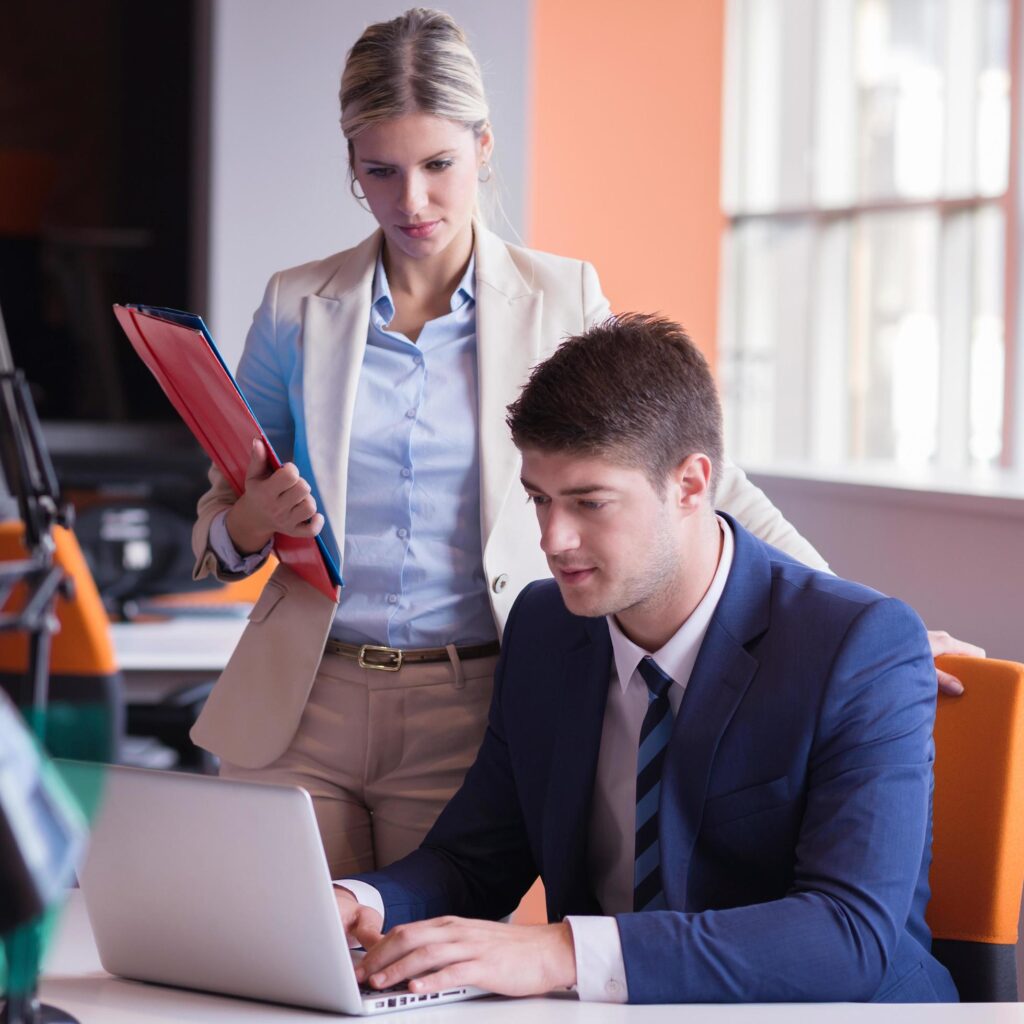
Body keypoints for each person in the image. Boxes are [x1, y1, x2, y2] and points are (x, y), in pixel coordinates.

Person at [188, 8, 980, 877]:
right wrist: (249, 524)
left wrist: (860, 627)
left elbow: (695, 474)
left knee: (411, 977)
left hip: (469, 697)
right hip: (305, 696)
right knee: (280, 969)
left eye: (439, 165)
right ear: (352, 164)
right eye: (381, 170)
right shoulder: (296, 305)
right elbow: (221, 517)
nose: (411, 201)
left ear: (484, 148)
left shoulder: (560, 299)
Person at [333, 314, 959, 1004]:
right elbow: (475, 858)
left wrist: (564, 950)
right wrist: (364, 900)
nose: (553, 538)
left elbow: (848, 936)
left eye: (588, 502)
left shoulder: (858, 647)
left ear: (691, 485)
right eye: (539, 500)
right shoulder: (546, 626)